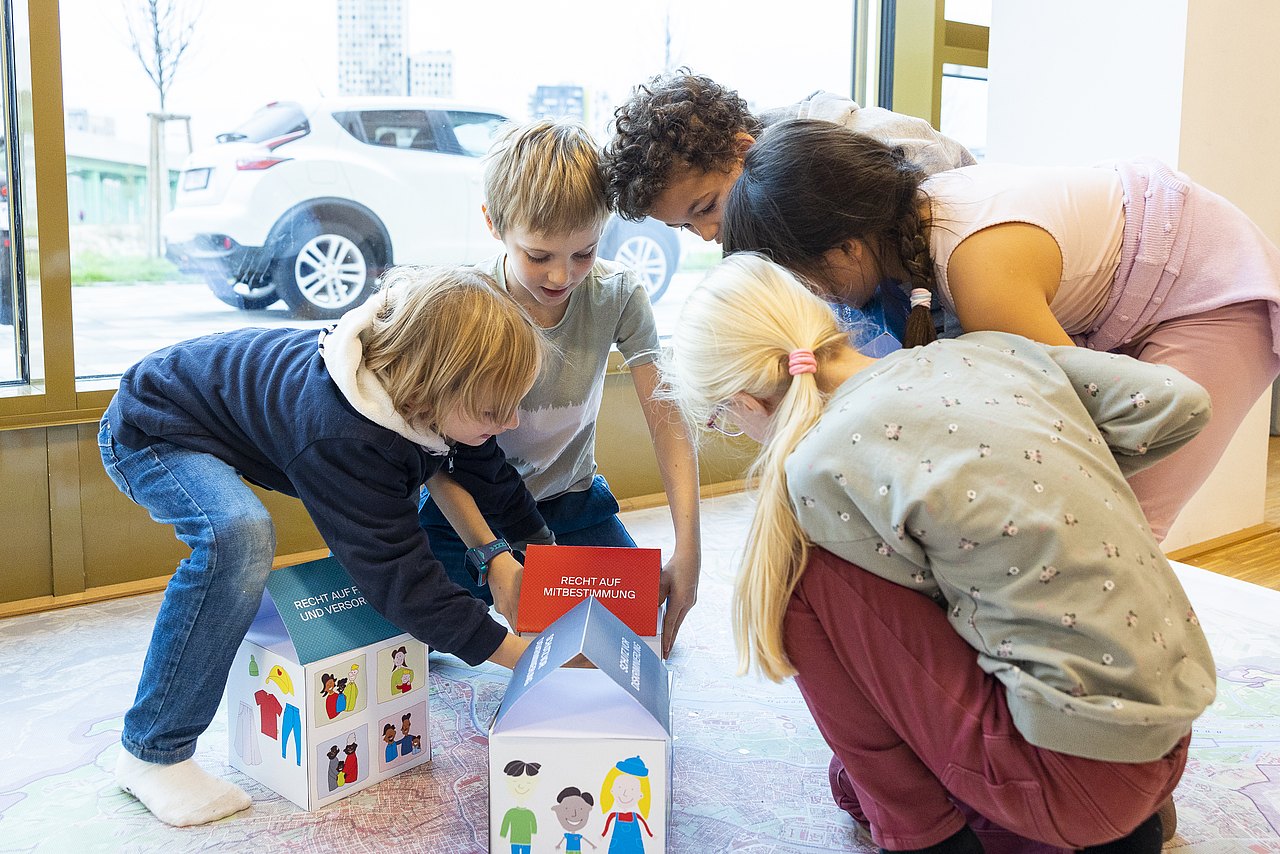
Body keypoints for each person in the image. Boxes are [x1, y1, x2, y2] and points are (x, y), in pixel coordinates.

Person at [659, 253, 1217, 852]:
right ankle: (1111, 825)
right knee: (856, 770)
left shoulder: (820, 463)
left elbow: (896, 635)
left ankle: (929, 840)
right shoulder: (986, 350)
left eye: (719, 419)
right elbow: (1180, 402)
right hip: (1169, 731)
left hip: (1070, 780)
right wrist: (1051, 478)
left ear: (746, 401)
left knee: (791, 574)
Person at [100, 265, 551, 826]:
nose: (509, 422)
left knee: (402, 503)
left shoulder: (425, 389)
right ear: (432, 388)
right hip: (154, 423)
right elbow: (400, 577)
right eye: (491, 411)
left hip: (216, 402)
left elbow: (484, 474)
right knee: (238, 536)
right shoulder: (345, 434)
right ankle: (153, 752)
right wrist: (528, 660)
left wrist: (537, 556)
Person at [721, 119, 1280, 542]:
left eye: (806, 280)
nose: (815, 297)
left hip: (1208, 282)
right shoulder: (901, 257)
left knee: (1120, 522)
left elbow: (1077, 428)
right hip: (1123, 293)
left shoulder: (977, 267)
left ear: (847, 247)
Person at [418, 119, 701, 658]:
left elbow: (667, 419)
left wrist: (689, 549)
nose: (561, 277)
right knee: (412, 636)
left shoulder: (618, 294)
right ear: (494, 224)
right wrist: (492, 555)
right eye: (538, 256)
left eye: (584, 253)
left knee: (634, 631)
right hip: (465, 511)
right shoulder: (462, 302)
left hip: (571, 506)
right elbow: (430, 455)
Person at [602, 69, 974, 340]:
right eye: (684, 226)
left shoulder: (891, 153)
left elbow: (979, 330)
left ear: (742, 150)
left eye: (706, 208)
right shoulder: (753, 208)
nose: (707, 235)